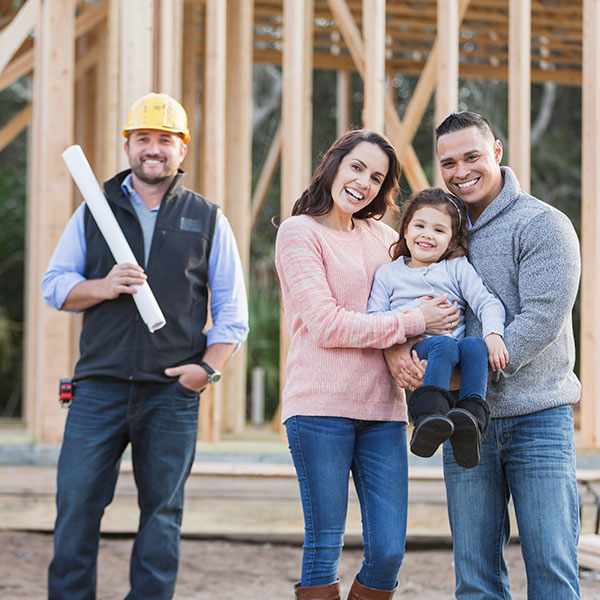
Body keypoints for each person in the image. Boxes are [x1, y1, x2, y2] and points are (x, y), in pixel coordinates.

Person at [42, 92, 249, 599]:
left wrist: (207, 371)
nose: (152, 149)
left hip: (171, 394)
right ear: (128, 146)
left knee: (161, 519)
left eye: (164, 140)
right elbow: (54, 286)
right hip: (98, 390)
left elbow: (232, 314)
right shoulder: (93, 211)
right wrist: (104, 285)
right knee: (75, 508)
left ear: (182, 149)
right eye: (142, 139)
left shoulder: (207, 218)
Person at [386, 111, 581, 599]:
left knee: (551, 566)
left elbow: (541, 318)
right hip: (462, 422)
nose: (460, 170)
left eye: (472, 156)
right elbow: (402, 300)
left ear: (496, 152)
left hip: (536, 418)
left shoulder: (543, 224)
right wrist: (401, 351)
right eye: (448, 162)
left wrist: (471, 372)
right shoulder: (438, 230)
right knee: (474, 575)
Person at [274, 129, 460, 600]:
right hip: (319, 407)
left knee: (389, 551)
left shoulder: (382, 237)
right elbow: (327, 325)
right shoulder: (299, 232)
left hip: (382, 409)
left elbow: (388, 310)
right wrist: (415, 320)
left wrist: (400, 344)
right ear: (333, 164)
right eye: (356, 167)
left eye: (377, 177)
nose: (364, 183)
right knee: (324, 544)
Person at [367, 188, 508, 469]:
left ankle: (470, 417)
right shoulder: (389, 273)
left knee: (475, 345)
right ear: (405, 230)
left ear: (451, 239)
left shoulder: (456, 268)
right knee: (443, 344)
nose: (427, 234)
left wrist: (493, 334)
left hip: (455, 352)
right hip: (421, 349)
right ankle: (429, 416)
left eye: (439, 230)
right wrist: (415, 315)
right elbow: (375, 318)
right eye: (419, 225)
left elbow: (487, 302)